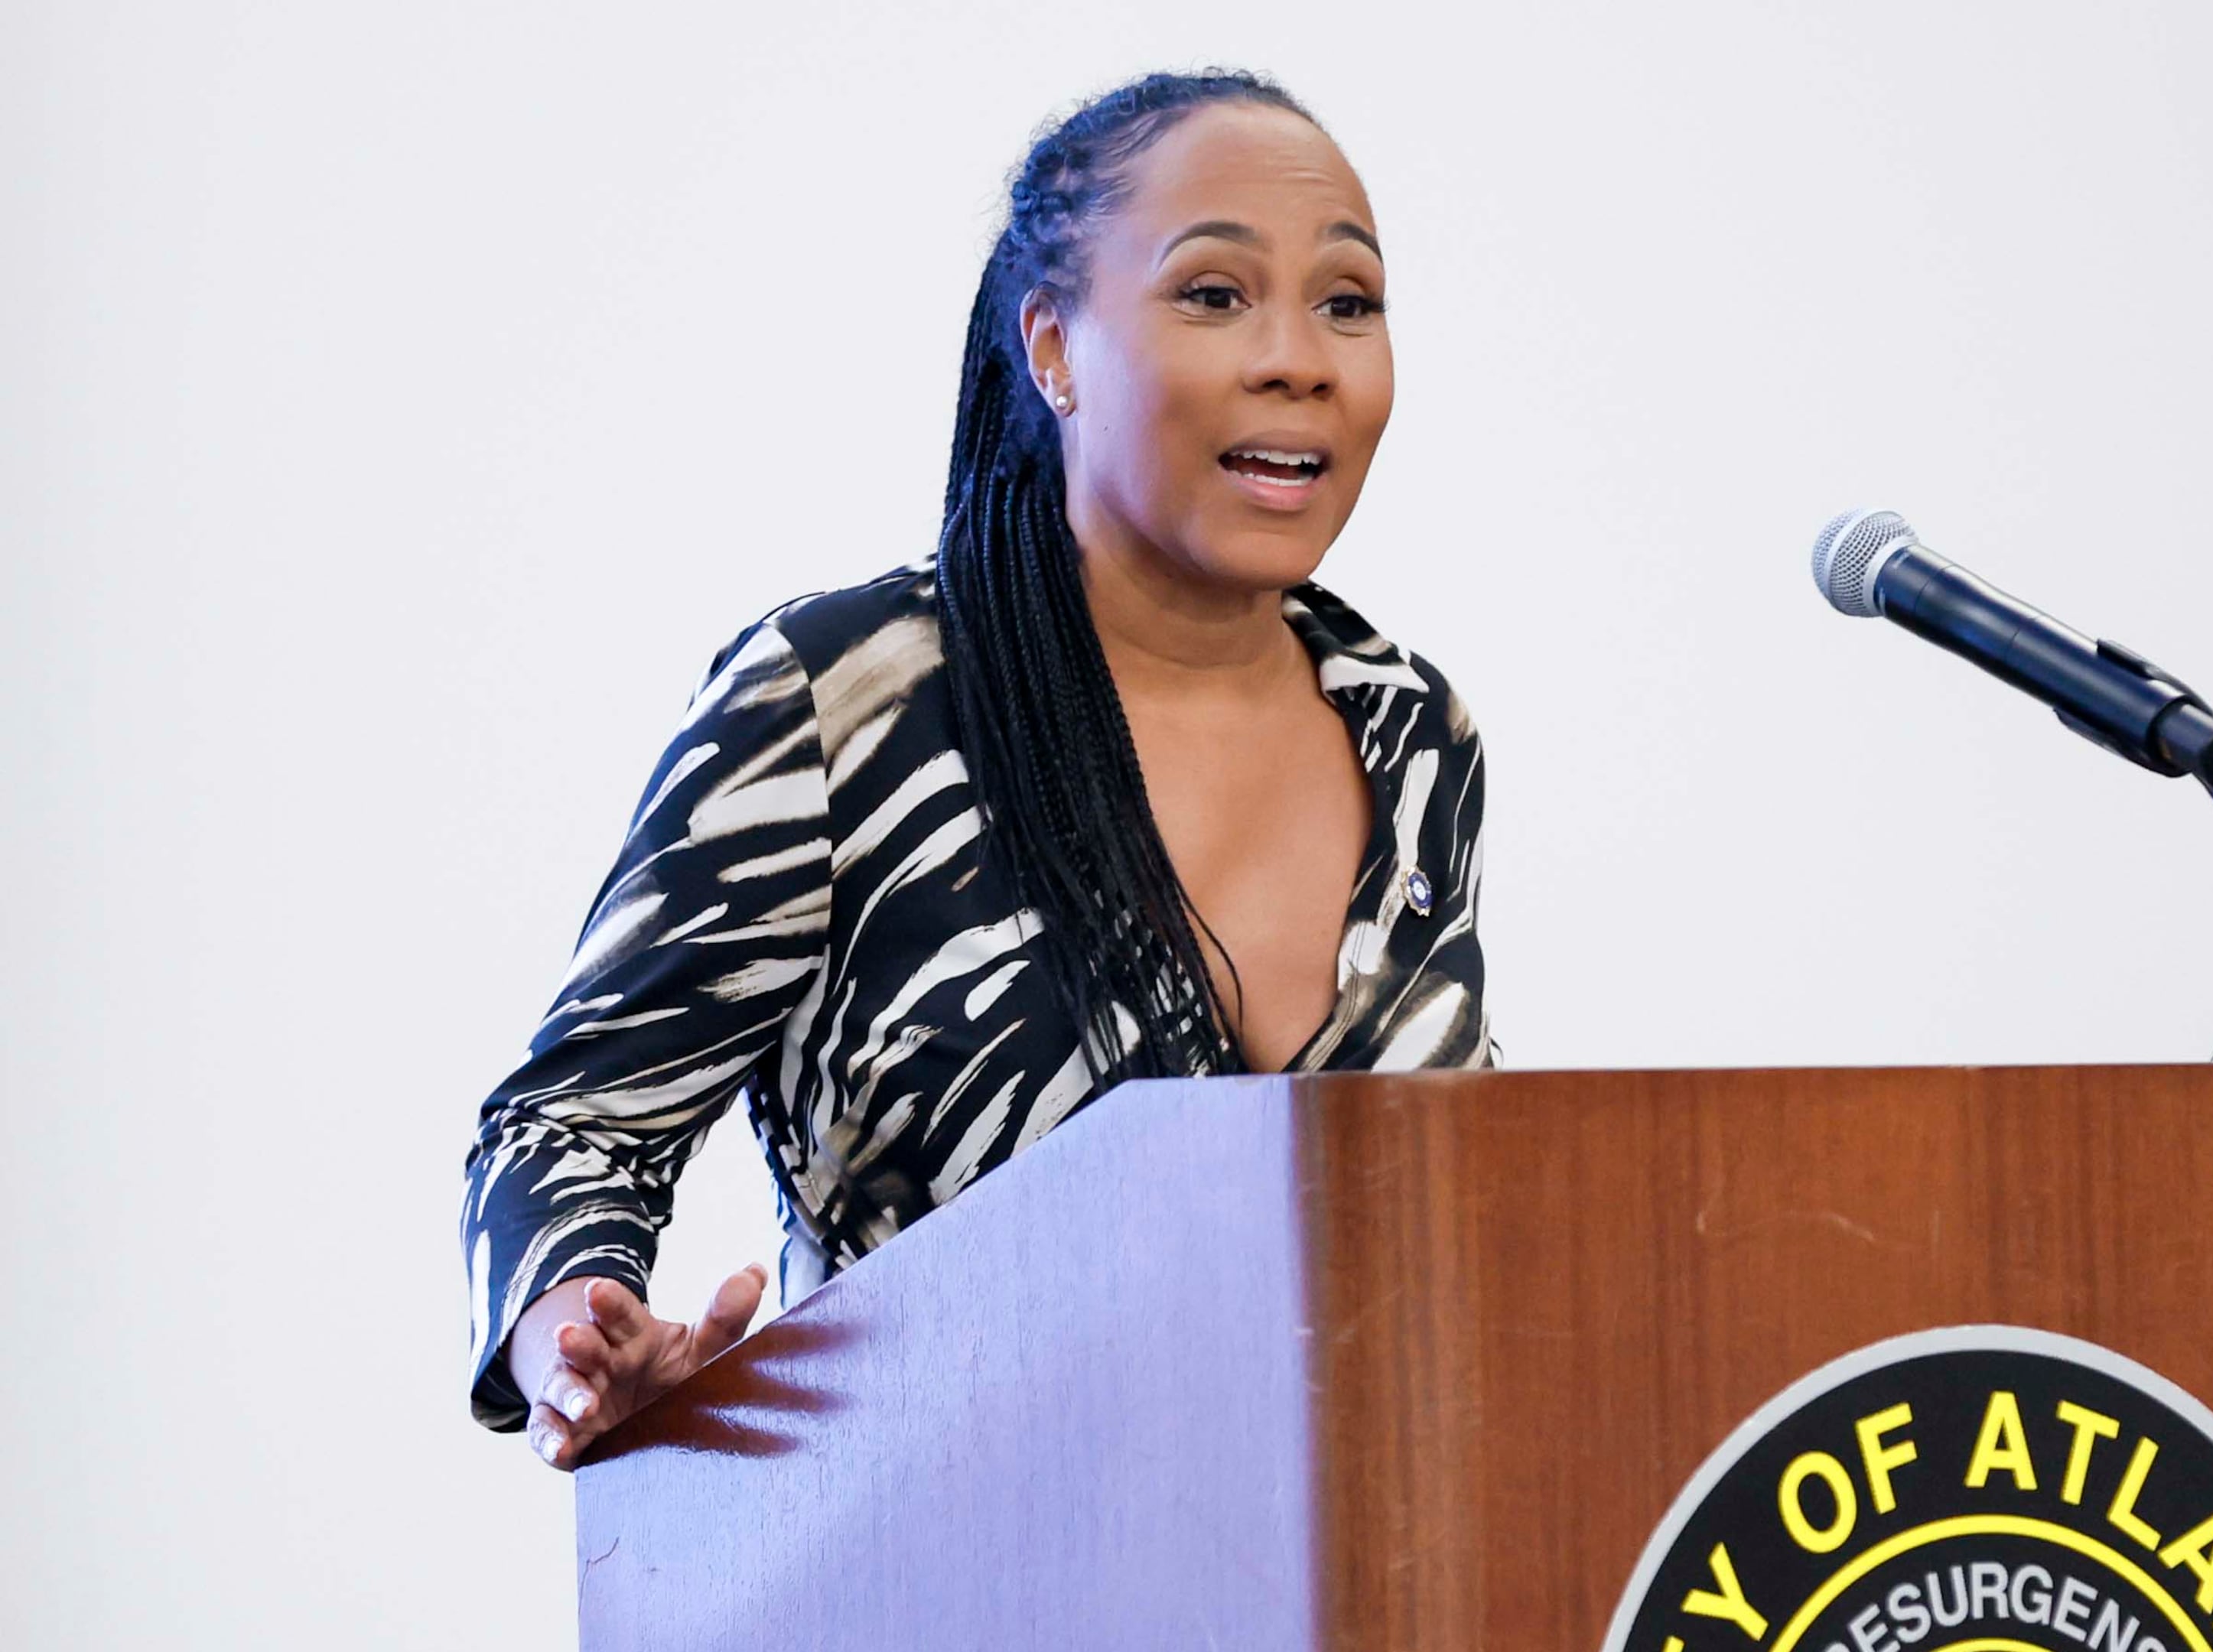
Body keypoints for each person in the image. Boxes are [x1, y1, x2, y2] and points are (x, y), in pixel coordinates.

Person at [460, 69, 1494, 1471]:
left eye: (1348, 303)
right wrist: (577, 1345)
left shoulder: (1411, 733)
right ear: (1054, 349)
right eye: (1213, 295)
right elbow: (571, 1123)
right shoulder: (848, 703)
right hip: (938, 1566)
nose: (1299, 356)